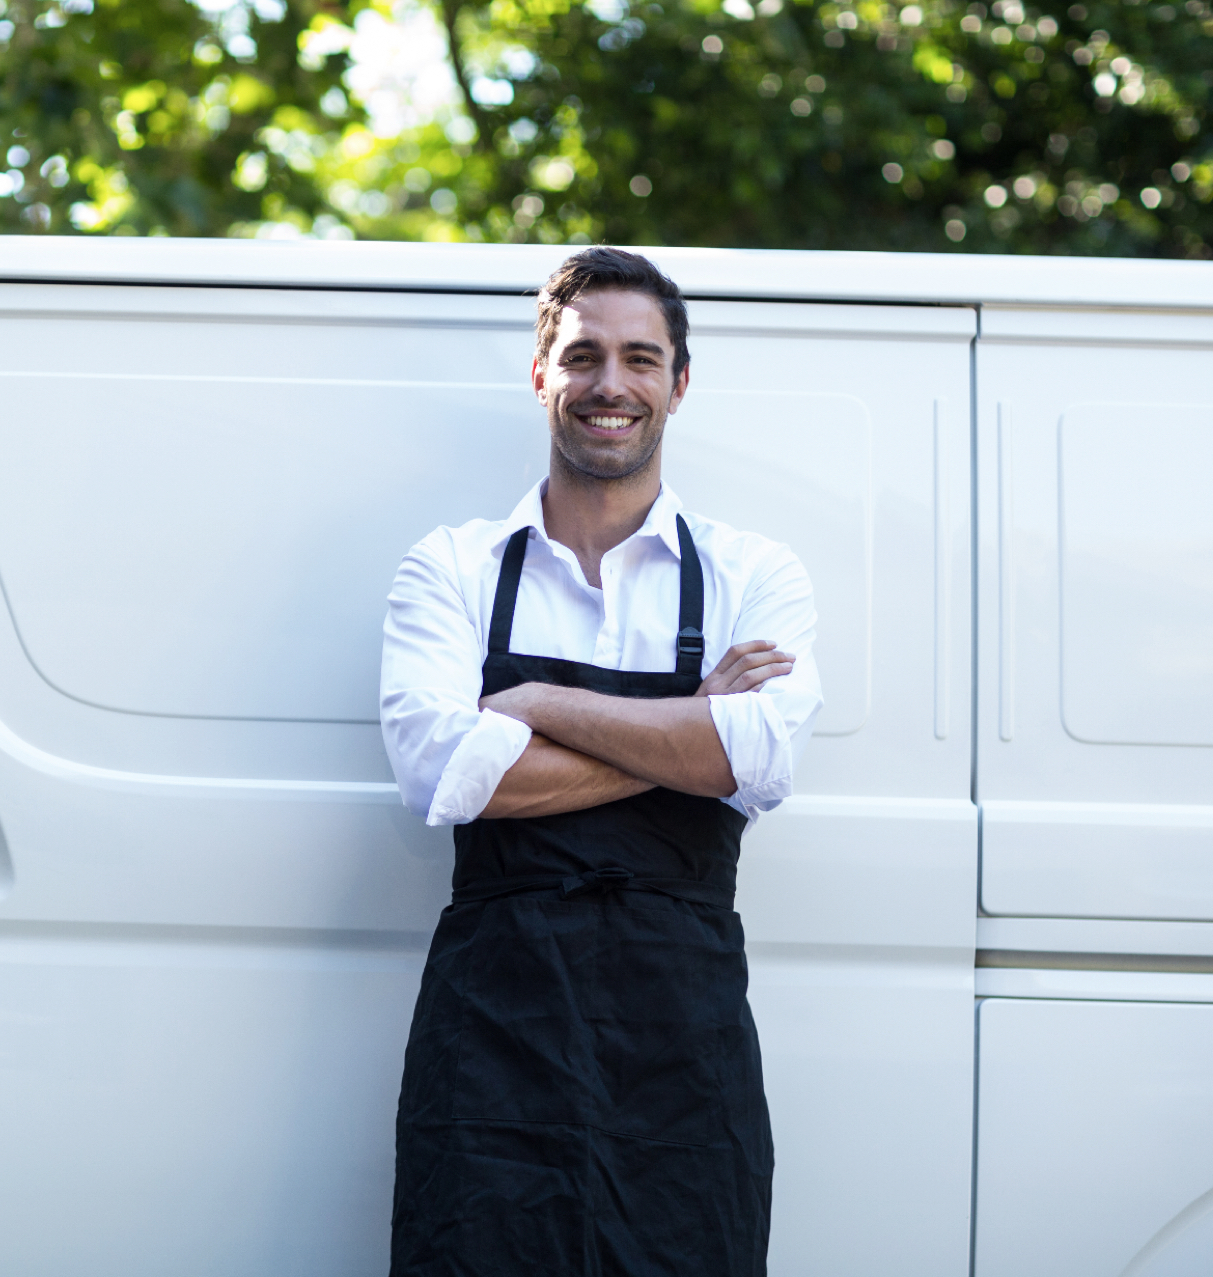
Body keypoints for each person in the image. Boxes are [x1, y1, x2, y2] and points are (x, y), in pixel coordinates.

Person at [379, 246, 822, 1276]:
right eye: (582, 356)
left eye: (638, 357)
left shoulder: (754, 570)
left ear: (678, 381)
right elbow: (449, 775)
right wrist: (689, 723)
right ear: (542, 374)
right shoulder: (452, 565)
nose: (609, 385)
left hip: (683, 1031)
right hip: (495, 1016)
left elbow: (756, 754)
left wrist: (535, 707)